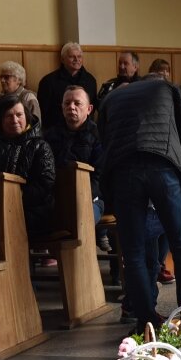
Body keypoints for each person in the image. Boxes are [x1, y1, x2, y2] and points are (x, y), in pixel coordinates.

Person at [98, 73, 181, 331]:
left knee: (132, 254)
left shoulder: (112, 96)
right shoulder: (167, 87)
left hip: (123, 170)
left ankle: (146, 321)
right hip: (161, 166)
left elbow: (104, 138)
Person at [0, 94, 55, 239]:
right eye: (8, 116)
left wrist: (15, 197)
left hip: (31, 211)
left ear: (27, 116)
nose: (15, 120)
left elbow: (44, 184)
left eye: (19, 115)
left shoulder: (40, 146)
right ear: (0, 120)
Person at [44, 86, 109, 250]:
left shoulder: (99, 136)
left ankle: (83, 269)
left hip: (91, 199)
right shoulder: (50, 135)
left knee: (81, 221)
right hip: (56, 199)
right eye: (67, 103)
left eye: (77, 103)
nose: (71, 107)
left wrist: (83, 197)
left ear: (89, 109)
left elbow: (101, 176)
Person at [37, 42, 98, 132]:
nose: (76, 59)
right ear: (62, 59)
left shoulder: (90, 80)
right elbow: (44, 111)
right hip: (57, 132)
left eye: (79, 56)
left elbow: (92, 108)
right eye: (72, 56)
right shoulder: (48, 81)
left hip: (85, 132)